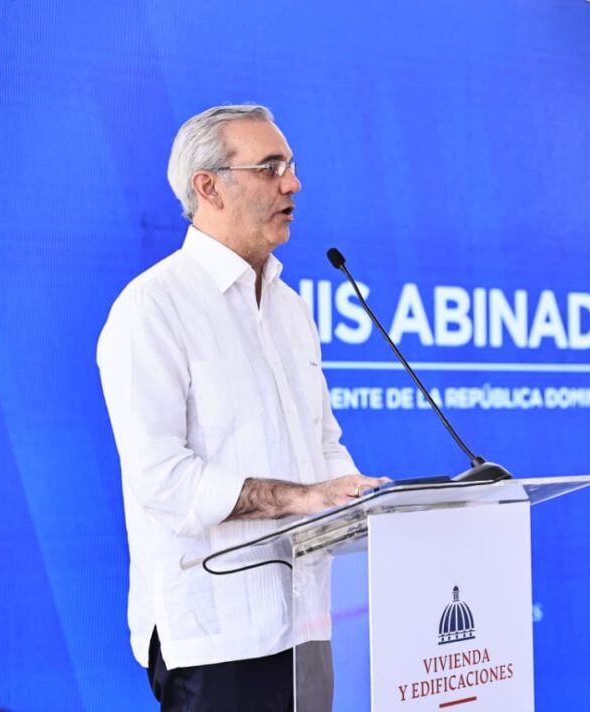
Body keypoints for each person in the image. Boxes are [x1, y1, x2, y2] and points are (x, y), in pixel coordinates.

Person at [97, 104, 385, 711]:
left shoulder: (291, 308)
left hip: (308, 623)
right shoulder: (152, 308)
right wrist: (302, 498)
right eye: (270, 167)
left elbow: (323, 442)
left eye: (291, 165)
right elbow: (161, 480)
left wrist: (358, 499)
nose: (293, 183)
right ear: (209, 187)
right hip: (216, 636)